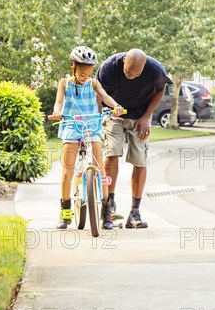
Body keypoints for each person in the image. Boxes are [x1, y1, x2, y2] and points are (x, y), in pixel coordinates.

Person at [96, 48, 172, 229]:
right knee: (112, 153)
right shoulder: (109, 66)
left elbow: (160, 91)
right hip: (113, 114)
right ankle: (108, 205)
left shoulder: (156, 71)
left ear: (144, 68)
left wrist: (146, 117)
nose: (130, 76)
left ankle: (135, 211)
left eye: (135, 74)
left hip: (140, 116)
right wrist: (98, 116)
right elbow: (98, 92)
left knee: (140, 160)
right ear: (123, 62)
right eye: (127, 72)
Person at [52, 46, 124, 230]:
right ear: (73, 68)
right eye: (82, 73)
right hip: (71, 125)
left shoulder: (93, 83)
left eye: (89, 73)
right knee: (68, 171)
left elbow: (106, 97)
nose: (86, 77)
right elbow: (59, 101)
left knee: (100, 170)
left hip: (91, 125)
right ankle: (65, 211)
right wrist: (57, 111)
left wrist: (116, 105)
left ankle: (106, 213)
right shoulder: (64, 83)